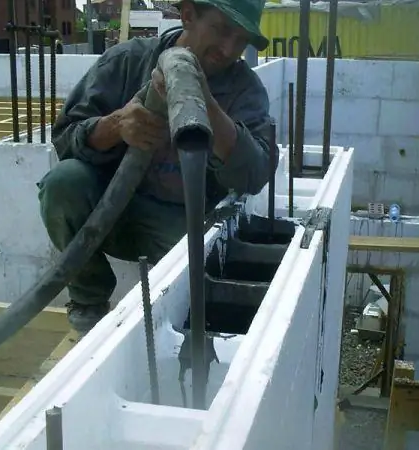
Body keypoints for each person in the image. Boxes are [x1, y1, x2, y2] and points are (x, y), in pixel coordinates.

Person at [38, 0, 273, 333]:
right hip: (109, 213)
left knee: (190, 307)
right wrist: (117, 124)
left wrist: (204, 102)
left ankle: (176, 330)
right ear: (189, 15)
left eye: (240, 41)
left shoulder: (244, 89)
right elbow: (65, 137)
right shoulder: (127, 61)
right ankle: (89, 302)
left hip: (181, 226)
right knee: (62, 184)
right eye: (221, 30)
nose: (228, 49)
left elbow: (255, 174)